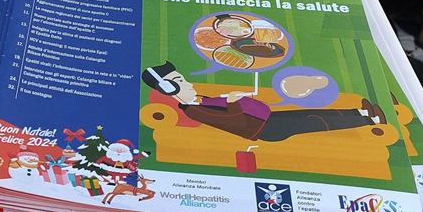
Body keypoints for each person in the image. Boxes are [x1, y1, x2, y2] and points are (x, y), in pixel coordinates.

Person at [142, 61, 387, 142]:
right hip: (266, 129)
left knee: (312, 112)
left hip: (268, 118)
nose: (187, 82)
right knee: (316, 121)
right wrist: (233, 101)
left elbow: (224, 107)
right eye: (179, 80)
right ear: (169, 88)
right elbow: (231, 119)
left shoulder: (199, 100)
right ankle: (371, 120)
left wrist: (228, 97)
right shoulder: (193, 110)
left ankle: (360, 112)